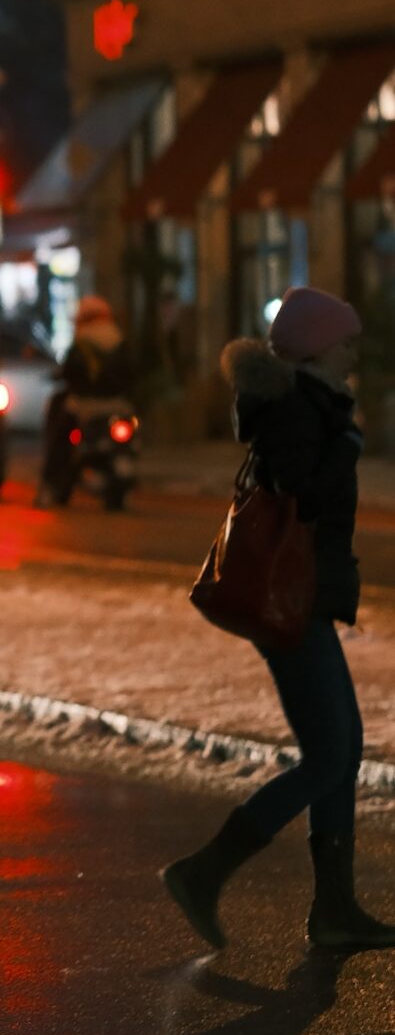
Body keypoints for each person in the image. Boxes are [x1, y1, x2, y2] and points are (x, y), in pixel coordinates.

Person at [163, 286, 395, 953]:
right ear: (318, 346)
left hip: (300, 596)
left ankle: (334, 908)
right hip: (288, 598)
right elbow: (299, 494)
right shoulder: (299, 409)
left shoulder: (306, 402)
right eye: (345, 342)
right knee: (331, 754)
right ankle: (205, 871)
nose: (353, 353)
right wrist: (345, 446)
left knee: (339, 749)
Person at [37, 294, 137, 506]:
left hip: (85, 406)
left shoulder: (83, 342)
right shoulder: (119, 340)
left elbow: (69, 372)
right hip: (119, 405)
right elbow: (132, 375)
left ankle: (51, 482)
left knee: (59, 438)